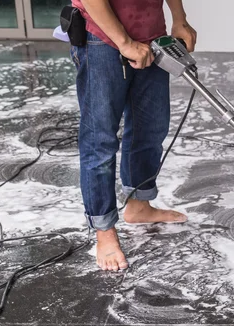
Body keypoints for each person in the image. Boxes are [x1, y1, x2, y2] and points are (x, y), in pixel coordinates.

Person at [70, 0, 196, 272]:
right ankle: (104, 232)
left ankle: (139, 205)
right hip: (101, 40)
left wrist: (179, 18)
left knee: (149, 128)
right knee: (100, 141)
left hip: (151, 35)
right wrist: (124, 42)